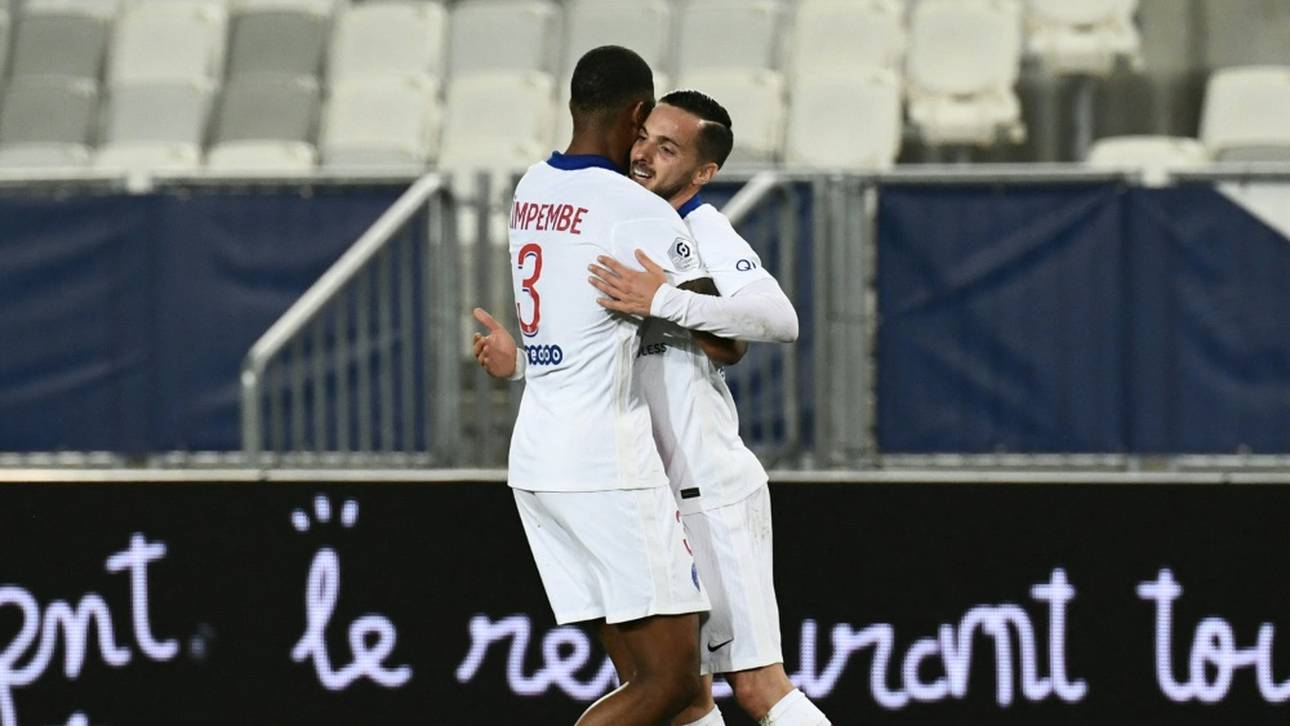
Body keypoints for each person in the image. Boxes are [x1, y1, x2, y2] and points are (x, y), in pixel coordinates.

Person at [476, 90, 831, 726]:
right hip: (642, 489)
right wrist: (523, 362)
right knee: (681, 698)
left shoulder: (701, 226)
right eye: (645, 138)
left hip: (707, 486)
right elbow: (626, 353)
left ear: (702, 173)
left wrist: (664, 298)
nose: (643, 155)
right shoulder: (619, 221)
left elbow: (775, 320)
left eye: (668, 148)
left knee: (758, 689)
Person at [497, 46, 711, 726]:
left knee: (670, 694)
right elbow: (723, 334)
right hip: (604, 461)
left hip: (539, 454)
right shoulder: (631, 206)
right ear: (638, 114)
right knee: (671, 680)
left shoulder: (532, 186)